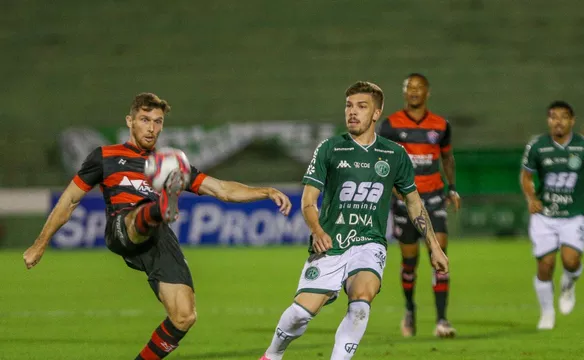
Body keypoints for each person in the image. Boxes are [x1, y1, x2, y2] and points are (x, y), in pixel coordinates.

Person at [22, 93, 292, 360]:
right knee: (138, 216)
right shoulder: (105, 156)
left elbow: (222, 189)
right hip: (122, 226)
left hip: (159, 236)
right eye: (144, 119)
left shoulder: (170, 164)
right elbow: (68, 200)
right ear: (130, 121)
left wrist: (266, 191)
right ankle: (159, 208)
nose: (151, 128)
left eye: (158, 121)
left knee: (184, 316)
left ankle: (160, 209)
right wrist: (40, 244)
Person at [259, 81, 449, 360]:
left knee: (361, 302)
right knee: (300, 314)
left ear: (376, 113)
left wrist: (434, 246)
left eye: (362, 106)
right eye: (349, 106)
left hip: (369, 245)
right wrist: (316, 229)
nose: (352, 112)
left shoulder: (394, 155)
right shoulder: (330, 149)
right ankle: (272, 355)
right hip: (331, 244)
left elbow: (413, 202)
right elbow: (308, 200)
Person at [377, 73, 460, 338]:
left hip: (434, 197)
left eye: (418, 88)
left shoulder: (440, 125)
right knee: (409, 261)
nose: (414, 92)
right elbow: (382, 164)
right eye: (409, 88)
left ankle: (442, 321)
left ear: (427, 92)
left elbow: (447, 158)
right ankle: (410, 309)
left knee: (440, 255)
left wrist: (452, 188)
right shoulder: (390, 126)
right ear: (404, 92)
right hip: (404, 202)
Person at [520, 100, 584, 330]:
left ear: (572, 120)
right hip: (545, 216)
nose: (558, 121)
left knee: (571, 261)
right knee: (545, 266)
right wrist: (532, 198)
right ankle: (547, 313)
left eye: (563, 116)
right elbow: (526, 176)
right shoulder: (537, 146)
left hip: (574, 214)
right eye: (553, 116)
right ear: (548, 120)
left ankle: (569, 283)